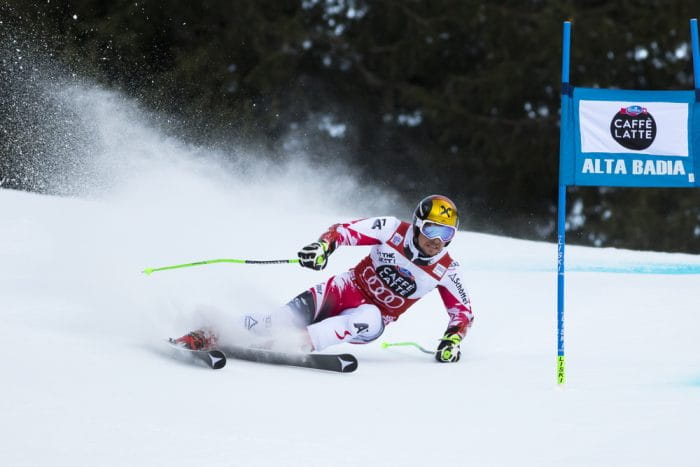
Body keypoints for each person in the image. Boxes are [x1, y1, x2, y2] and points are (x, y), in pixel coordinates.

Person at [172, 194, 473, 363]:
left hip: (375, 316)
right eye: (432, 229)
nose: (438, 240)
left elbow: (462, 313)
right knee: (278, 319)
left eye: (447, 233)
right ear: (418, 224)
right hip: (345, 288)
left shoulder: (446, 268)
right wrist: (323, 246)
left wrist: (451, 340)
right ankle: (210, 331)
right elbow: (344, 231)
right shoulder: (392, 228)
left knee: (366, 315)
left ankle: (296, 343)